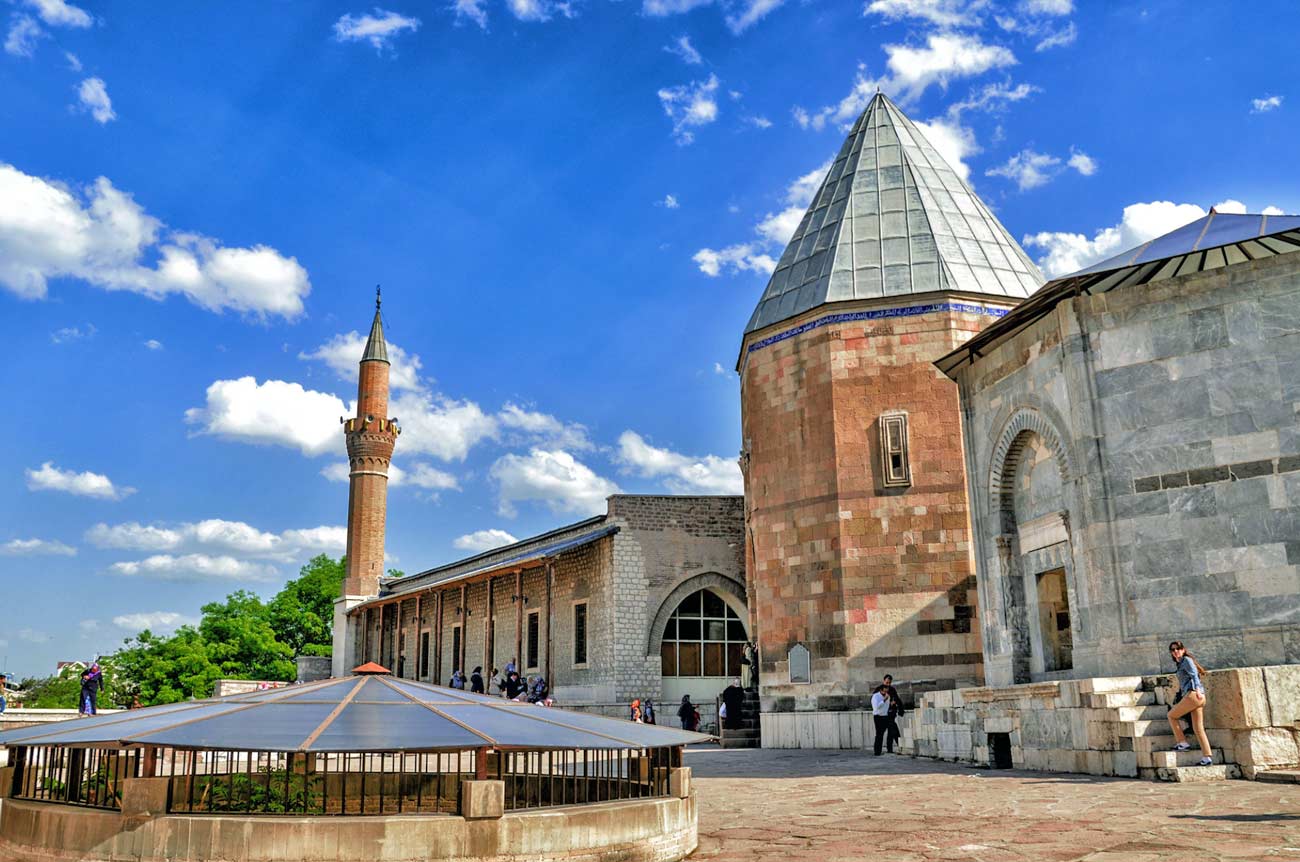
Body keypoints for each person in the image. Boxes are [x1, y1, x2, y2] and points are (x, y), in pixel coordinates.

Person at [1166, 641, 1214, 766]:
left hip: (1194, 695)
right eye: (1173, 650)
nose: (1175, 651)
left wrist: (1197, 690)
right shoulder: (1180, 663)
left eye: (1178, 649)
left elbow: (1194, 675)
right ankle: (1207, 757)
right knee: (1198, 728)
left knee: (1171, 716)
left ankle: (1182, 742)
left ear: (1183, 649)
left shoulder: (1186, 660)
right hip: (1197, 697)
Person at [882, 674, 903, 752]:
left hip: (892, 712)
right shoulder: (880, 690)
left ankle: (890, 748)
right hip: (884, 713)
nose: (888, 684)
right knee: (893, 728)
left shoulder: (892, 689)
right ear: (883, 681)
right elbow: (877, 703)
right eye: (887, 682)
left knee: (891, 729)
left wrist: (901, 710)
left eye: (889, 683)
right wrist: (889, 703)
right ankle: (900, 744)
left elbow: (897, 699)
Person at [871, 684, 894, 755]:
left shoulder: (888, 696)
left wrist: (891, 704)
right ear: (881, 690)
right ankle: (877, 751)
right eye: (884, 691)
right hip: (878, 716)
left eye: (887, 691)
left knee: (891, 730)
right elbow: (876, 707)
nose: (886, 693)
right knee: (879, 734)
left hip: (885, 716)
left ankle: (889, 749)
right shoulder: (875, 696)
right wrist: (884, 700)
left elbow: (886, 707)